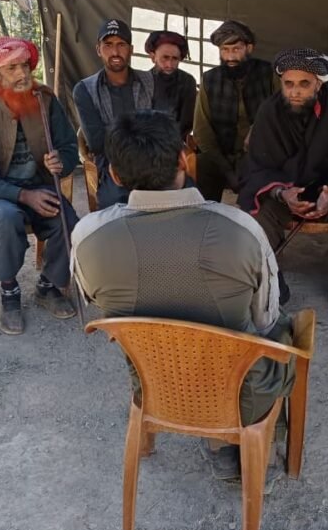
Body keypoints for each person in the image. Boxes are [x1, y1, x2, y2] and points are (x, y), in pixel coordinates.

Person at [72, 109, 293, 480]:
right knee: (282, 330)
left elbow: (99, 311)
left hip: (157, 383)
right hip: (239, 387)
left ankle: (201, 437)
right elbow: (265, 320)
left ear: (112, 174)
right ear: (183, 159)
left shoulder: (88, 236)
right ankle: (248, 445)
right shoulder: (239, 227)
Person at [239, 48, 328, 330]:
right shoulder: (269, 111)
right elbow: (257, 169)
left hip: (325, 189)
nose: (295, 92)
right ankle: (272, 281)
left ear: (318, 84)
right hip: (282, 192)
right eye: (289, 84)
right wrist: (281, 193)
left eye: (304, 84)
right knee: (254, 212)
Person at [0, 38, 79, 334]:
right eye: (12, 67)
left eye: (25, 64)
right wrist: (24, 195)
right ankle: (9, 292)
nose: (22, 73)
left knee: (68, 220)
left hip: (37, 183)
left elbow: (68, 147)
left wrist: (59, 161)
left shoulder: (45, 100)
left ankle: (48, 286)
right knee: (7, 217)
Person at [72, 19, 154, 208]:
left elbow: (161, 128)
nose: (115, 52)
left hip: (151, 160)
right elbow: (98, 142)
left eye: (121, 45)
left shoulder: (150, 81)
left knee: (182, 194)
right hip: (112, 165)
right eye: (108, 45)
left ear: (131, 49)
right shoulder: (85, 89)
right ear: (98, 49)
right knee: (119, 203)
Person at [192, 20, 277, 202]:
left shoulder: (268, 74)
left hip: (258, 155)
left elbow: (280, 117)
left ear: (249, 48)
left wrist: (257, 131)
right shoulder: (210, 79)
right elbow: (202, 131)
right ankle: (206, 219)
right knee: (201, 165)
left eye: (236, 49)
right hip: (221, 155)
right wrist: (225, 168)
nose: (230, 57)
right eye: (225, 50)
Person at [146, 30, 197, 139]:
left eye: (175, 59)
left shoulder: (187, 82)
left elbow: (186, 123)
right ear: (153, 57)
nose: (169, 64)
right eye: (165, 58)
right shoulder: (143, 80)